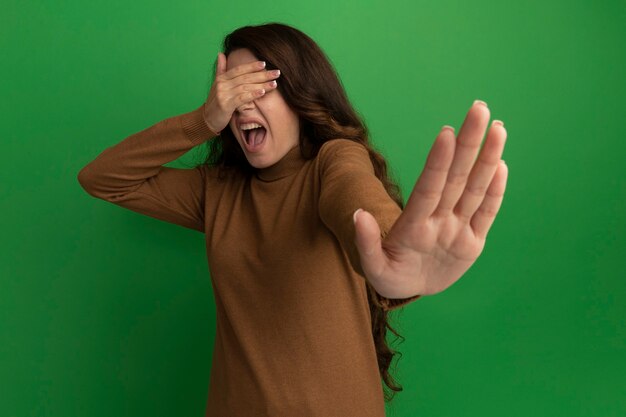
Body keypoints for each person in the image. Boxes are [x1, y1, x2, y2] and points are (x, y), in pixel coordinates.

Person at [77, 22, 507, 417]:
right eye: (231, 90)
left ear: (302, 96)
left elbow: (354, 195)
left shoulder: (332, 162)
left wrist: (394, 258)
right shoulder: (217, 191)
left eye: (259, 86)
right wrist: (203, 121)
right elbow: (102, 179)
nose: (242, 105)